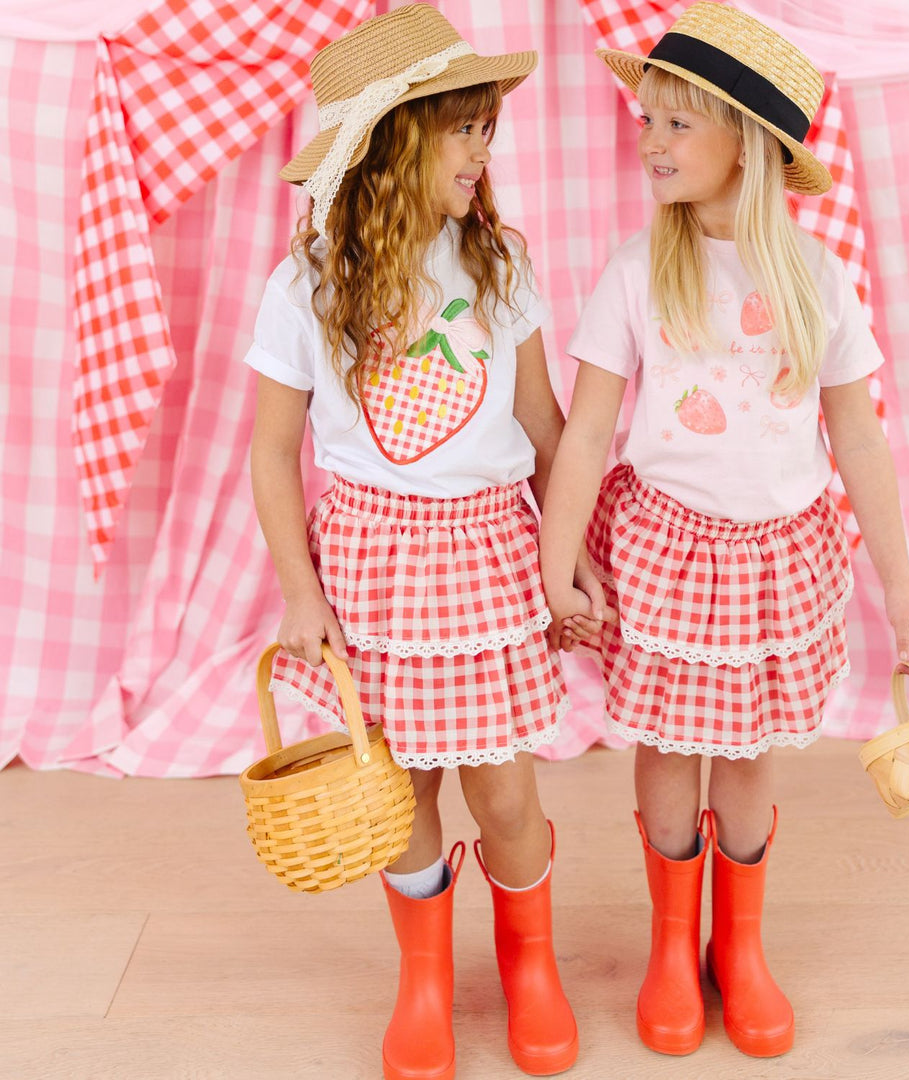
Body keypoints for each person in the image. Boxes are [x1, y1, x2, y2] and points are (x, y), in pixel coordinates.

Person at [540, 1, 909, 1062]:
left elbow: (858, 434)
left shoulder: (814, 278)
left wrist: (900, 584)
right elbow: (585, 434)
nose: (650, 141)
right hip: (669, 543)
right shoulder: (637, 270)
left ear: (748, 143)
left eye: (677, 123)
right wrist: (554, 562)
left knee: (752, 749)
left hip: (782, 551)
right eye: (646, 121)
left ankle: (740, 947)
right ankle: (675, 944)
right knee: (671, 744)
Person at [246, 6, 597, 1078]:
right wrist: (302, 596)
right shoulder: (309, 283)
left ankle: (531, 965)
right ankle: (425, 980)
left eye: (488, 129)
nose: (485, 152)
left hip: (487, 554)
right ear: (396, 142)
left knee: (503, 789)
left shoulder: (500, 262)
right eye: (464, 130)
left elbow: (543, 426)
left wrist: (568, 552)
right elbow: (271, 456)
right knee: (399, 793)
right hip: (369, 567)